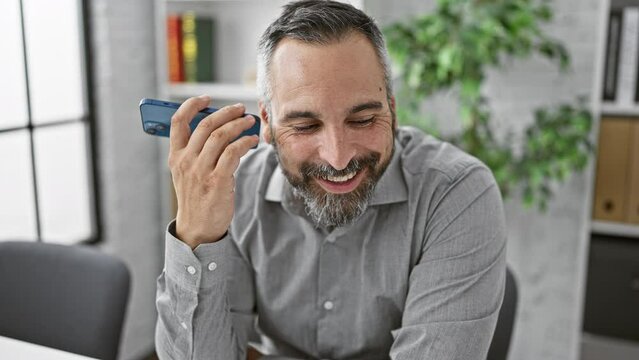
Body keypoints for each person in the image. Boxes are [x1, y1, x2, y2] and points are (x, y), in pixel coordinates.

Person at [155, 1, 507, 359]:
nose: (338, 157)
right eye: (306, 126)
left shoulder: (456, 191)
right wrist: (196, 235)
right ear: (267, 122)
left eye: (363, 119)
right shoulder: (238, 191)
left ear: (392, 109)